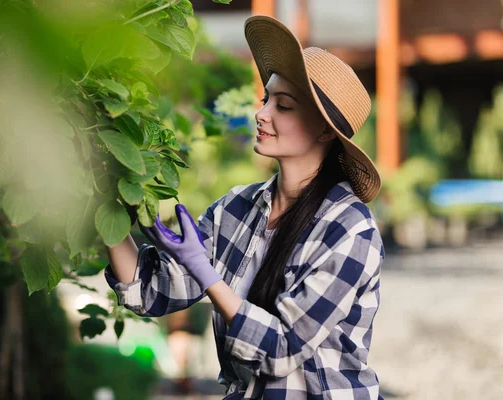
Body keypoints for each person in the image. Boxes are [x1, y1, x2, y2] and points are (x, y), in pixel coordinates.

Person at [105, 15, 385, 400]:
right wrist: (106, 212)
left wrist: (206, 273)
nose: (262, 114)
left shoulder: (350, 228)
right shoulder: (236, 208)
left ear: (324, 131)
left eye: (283, 106)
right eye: (266, 99)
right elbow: (151, 291)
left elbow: (284, 347)